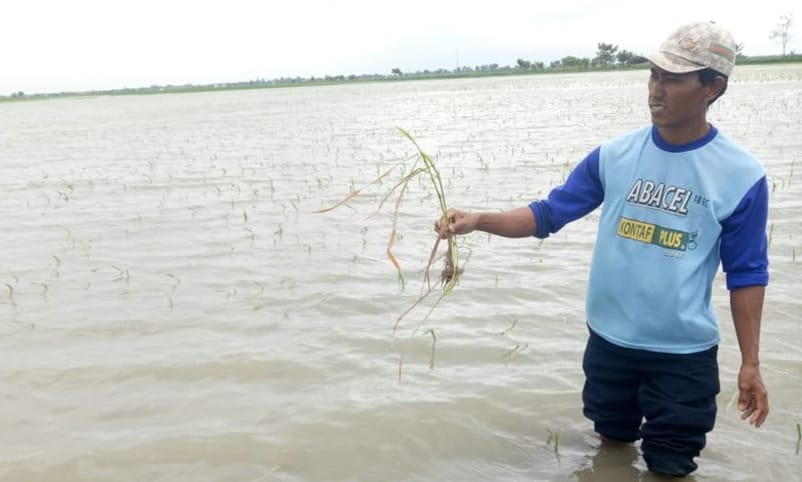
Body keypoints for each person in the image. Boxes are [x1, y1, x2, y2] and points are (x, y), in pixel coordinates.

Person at [435, 21, 769, 477]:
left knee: (672, 467)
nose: (656, 90)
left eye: (673, 79)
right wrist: (478, 220)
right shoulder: (614, 155)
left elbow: (747, 273)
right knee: (611, 446)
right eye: (654, 75)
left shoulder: (741, 175)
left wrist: (750, 363)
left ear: (713, 87)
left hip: (683, 356)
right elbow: (548, 214)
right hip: (610, 344)